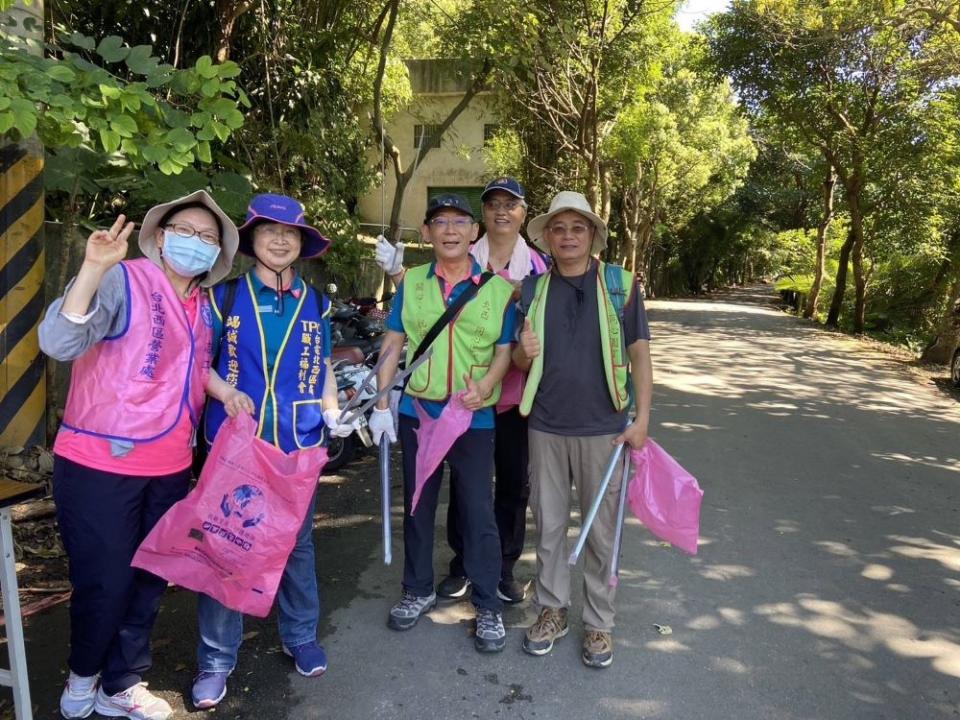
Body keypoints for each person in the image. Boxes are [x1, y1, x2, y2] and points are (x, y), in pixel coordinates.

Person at [39, 190, 240, 720]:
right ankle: (83, 677)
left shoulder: (203, 308)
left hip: (170, 466)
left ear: (218, 253)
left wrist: (226, 393)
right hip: (99, 464)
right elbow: (59, 342)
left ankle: (121, 684)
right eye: (186, 231)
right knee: (105, 579)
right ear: (159, 236)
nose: (195, 243)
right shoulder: (120, 279)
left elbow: (192, 369)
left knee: (150, 579)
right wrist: (90, 268)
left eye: (208, 237)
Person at [191, 194, 355, 708]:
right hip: (234, 447)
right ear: (252, 241)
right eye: (268, 231)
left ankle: (300, 636)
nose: (280, 240)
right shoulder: (222, 297)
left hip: (298, 444)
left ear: (302, 245)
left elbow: (321, 363)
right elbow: (197, 362)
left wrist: (333, 411)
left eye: (290, 234)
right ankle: (216, 660)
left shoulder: (317, 303)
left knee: (297, 546)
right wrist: (224, 393)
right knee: (227, 547)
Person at [369, 193, 517, 653]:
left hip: (472, 418)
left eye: (459, 222)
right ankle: (417, 589)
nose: (450, 230)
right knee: (416, 506)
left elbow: (504, 351)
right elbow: (394, 342)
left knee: (478, 510)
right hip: (420, 412)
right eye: (439, 222)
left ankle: (488, 603)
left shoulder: (497, 288)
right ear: (428, 234)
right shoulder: (411, 283)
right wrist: (380, 403)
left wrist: (488, 384)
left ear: (474, 233)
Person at [512, 191, 653, 669]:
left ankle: (599, 624)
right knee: (549, 525)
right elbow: (515, 359)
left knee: (601, 532)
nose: (568, 236)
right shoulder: (530, 290)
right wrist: (522, 352)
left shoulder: (621, 286)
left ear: (592, 235)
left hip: (606, 430)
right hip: (546, 425)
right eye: (559, 228)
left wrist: (642, 420)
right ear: (547, 237)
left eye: (578, 227)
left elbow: (639, 354)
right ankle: (552, 609)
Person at [436, 178, 548, 604]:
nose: (502, 212)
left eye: (511, 205)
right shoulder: (462, 257)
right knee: (467, 481)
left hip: (517, 396)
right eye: (493, 204)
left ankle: (503, 566)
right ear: (483, 214)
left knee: (513, 483)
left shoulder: (539, 268)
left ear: (523, 213)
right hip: (467, 393)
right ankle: (462, 562)